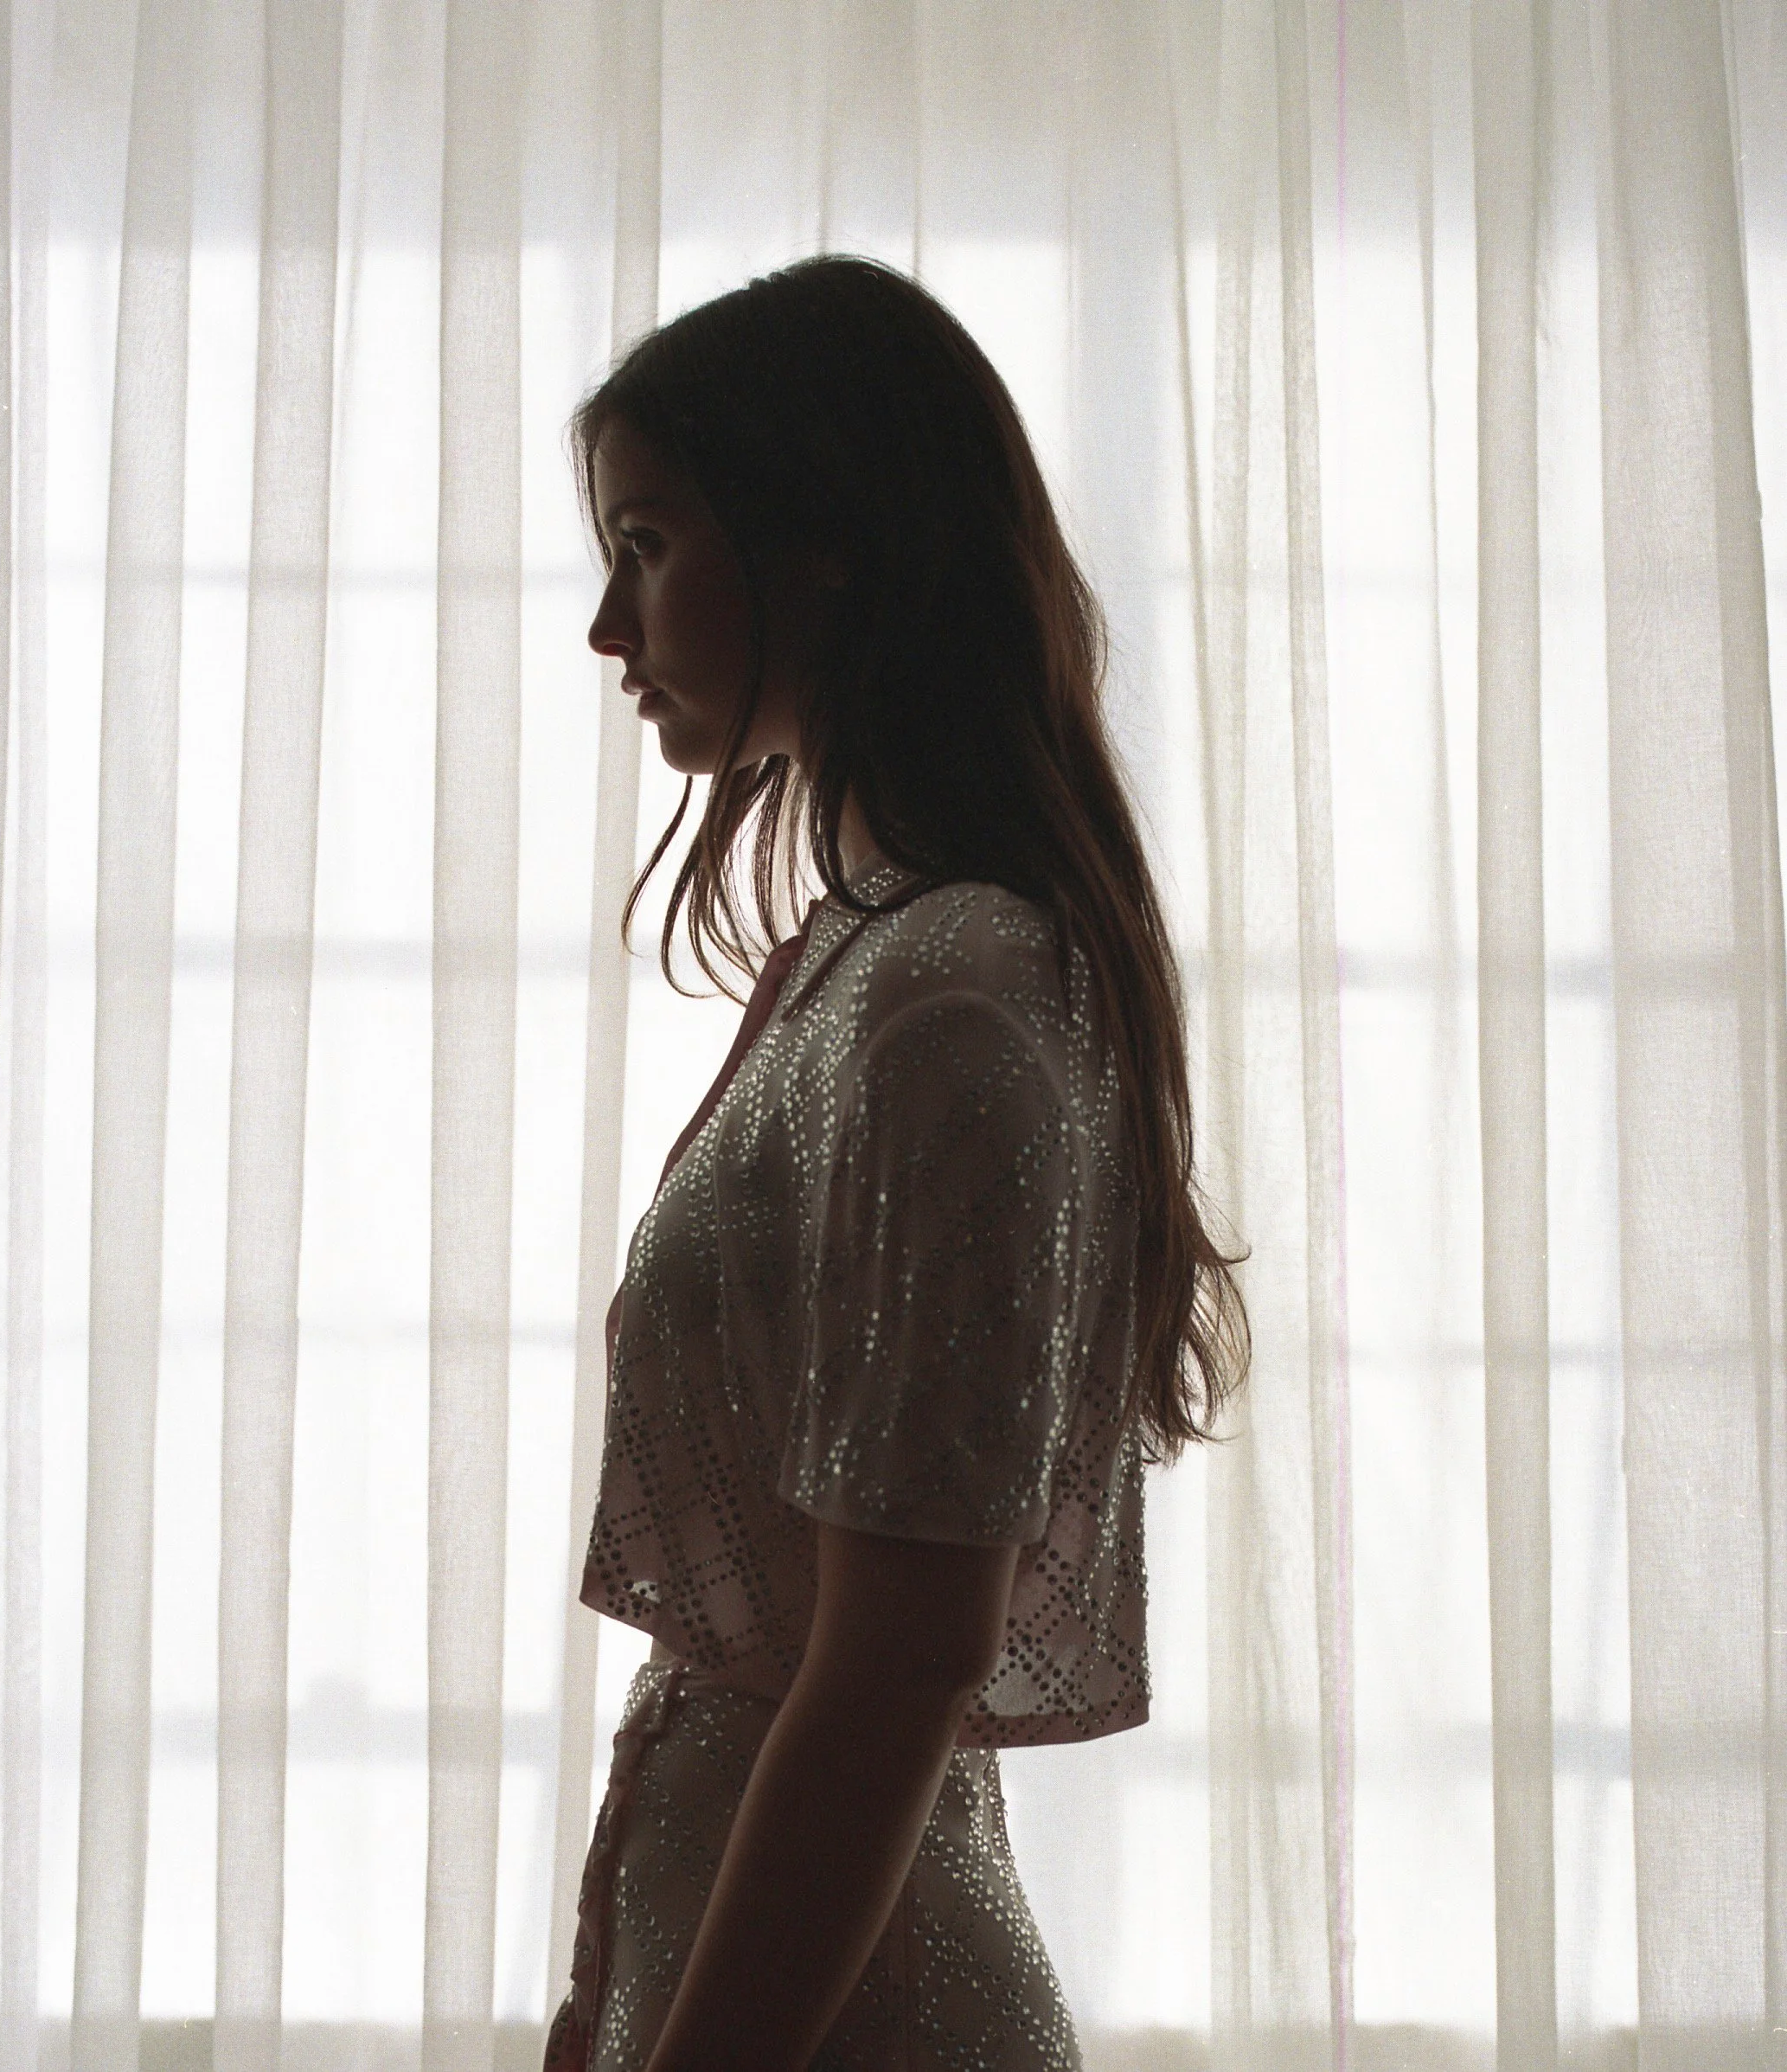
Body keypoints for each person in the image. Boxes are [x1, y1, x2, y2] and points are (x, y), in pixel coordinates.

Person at [544, 254, 1247, 2072]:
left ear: (820, 541)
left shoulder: (951, 995)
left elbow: (896, 1664)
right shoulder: (871, 960)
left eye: (642, 542)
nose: (606, 629)